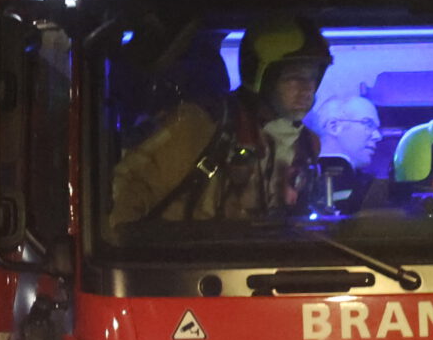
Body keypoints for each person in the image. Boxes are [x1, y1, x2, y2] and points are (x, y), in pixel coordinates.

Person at [110, 14, 332, 222]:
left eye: (313, 77)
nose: (307, 89)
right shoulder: (199, 125)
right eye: (294, 77)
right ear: (260, 74)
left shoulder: (308, 145)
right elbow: (122, 198)